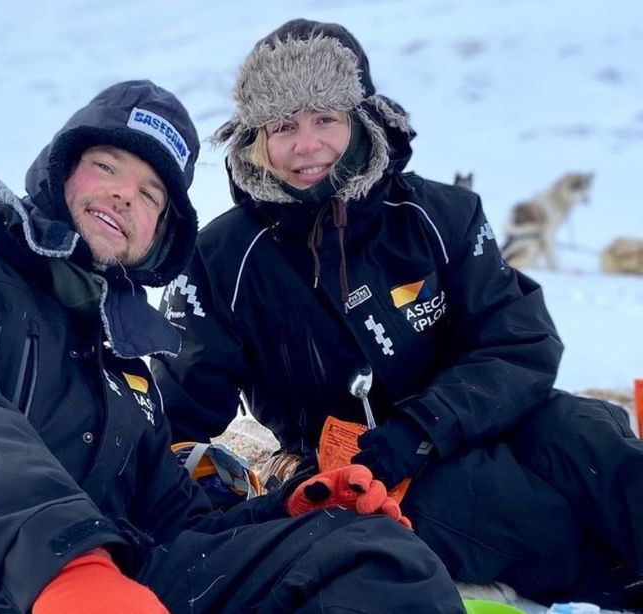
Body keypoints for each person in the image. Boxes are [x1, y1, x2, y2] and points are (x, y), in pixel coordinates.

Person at [0, 80, 464, 613]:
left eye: (152, 194)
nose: (125, 197)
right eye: (107, 167)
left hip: (91, 579)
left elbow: (168, 522)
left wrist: (289, 512)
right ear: (59, 169)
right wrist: (63, 564)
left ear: (161, 233)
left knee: (370, 557)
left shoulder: (120, 363)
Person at [152, 18, 643, 612]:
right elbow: (179, 406)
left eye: (325, 119)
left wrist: (423, 427)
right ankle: (604, 588)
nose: (307, 146)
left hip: (478, 414)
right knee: (489, 505)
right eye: (284, 126)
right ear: (257, 141)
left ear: (362, 120)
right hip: (359, 462)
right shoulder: (222, 258)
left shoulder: (443, 214)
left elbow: (519, 341)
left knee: (587, 434)